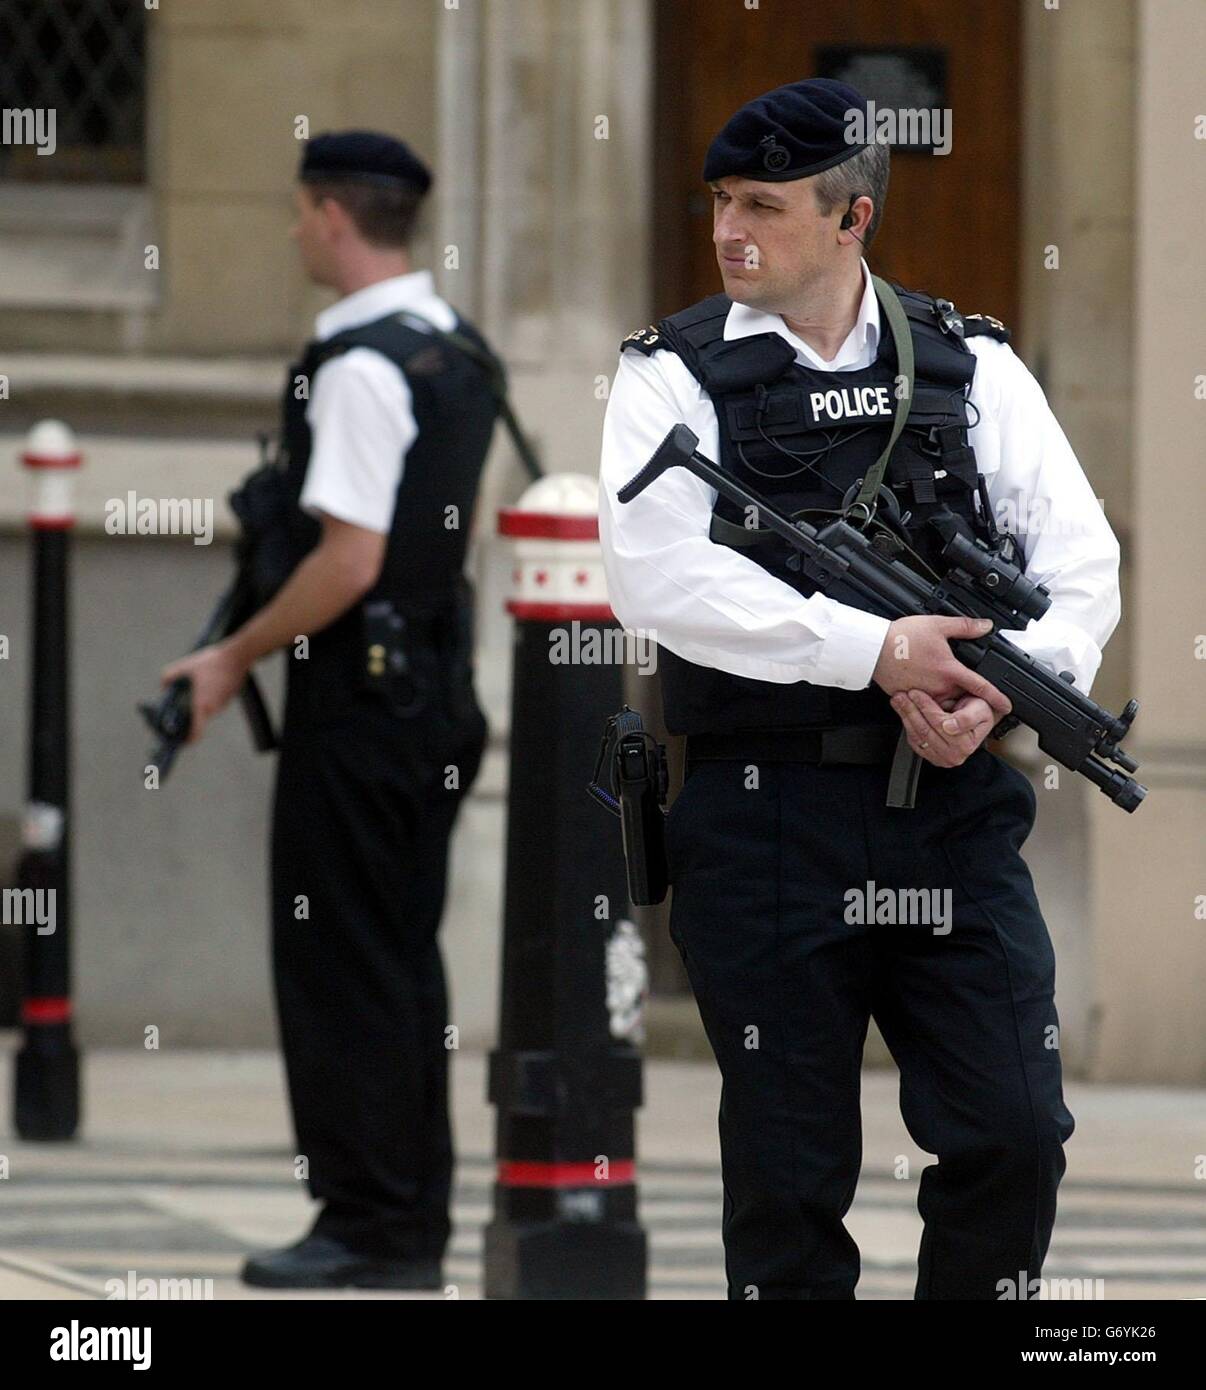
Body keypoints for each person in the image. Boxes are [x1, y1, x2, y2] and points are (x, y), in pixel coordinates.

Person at [598, 79, 1121, 1300]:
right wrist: (876, 654)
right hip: (763, 814)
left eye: (765, 207)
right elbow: (658, 581)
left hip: (949, 813)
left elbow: (1081, 562)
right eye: (723, 201)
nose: (731, 229)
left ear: (853, 219)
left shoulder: (971, 363)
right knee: (788, 1179)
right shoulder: (670, 377)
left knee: (1014, 1130)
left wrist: (1007, 690)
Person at [161, 130, 498, 1289]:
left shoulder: (358, 366)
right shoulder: (457, 349)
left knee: (342, 963)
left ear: (335, 216)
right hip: (434, 695)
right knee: (398, 962)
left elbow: (347, 562)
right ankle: (404, 1224)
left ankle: (368, 1224)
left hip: (359, 710)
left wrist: (228, 657)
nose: (297, 231)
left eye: (301, 213)